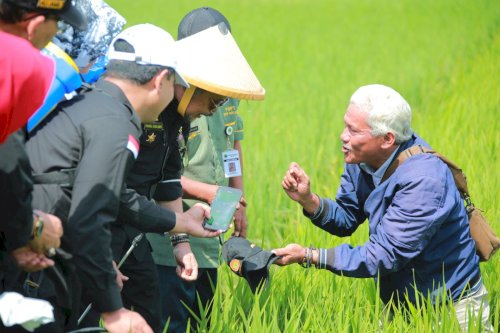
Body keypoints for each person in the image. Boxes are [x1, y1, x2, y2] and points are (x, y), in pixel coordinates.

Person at [26, 23, 220, 333]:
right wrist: (115, 311)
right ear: (161, 80)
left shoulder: (90, 102)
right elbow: (90, 216)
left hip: (36, 245)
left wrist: (179, 224)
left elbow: (104, 194)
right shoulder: (118, 124)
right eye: (174, 84)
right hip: (41, 259)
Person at [274, 84, 492, 330]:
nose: (343, 136)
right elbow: (347, 217)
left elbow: (384, 255)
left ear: (387, 139)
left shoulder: (424, 181)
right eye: (345, 126)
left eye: (353, 131)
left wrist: (309, 255)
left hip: (452, 308)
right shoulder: (361, 158)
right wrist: (308, 200)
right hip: (402, 305)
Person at [148, 8, 249, 333]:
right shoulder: (171, 105)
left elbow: (233, 146)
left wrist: (238, 197)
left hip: (211, 230)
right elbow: (161, 173)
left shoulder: (228, 98)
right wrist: (209, 192)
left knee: (201, 320)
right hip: (174, 227)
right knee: (170, 321)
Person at [0, 0, 85, 295]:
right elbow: (6, 159)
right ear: (35, 24)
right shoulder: (21, 64)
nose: (56, 35)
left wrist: (14, 238)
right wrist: (31, 227)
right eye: (57, 25)